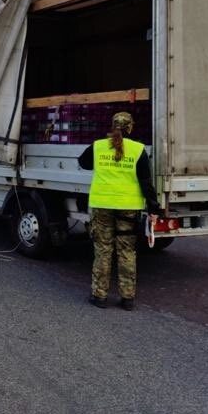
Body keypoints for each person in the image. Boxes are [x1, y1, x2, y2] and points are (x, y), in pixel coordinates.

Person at [78, 111, 159, 311]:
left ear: (113, 126)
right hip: (128, 208)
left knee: (103, 250)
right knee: (127, 251)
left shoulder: (98, 146)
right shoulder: (138, 149)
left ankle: (99, 296)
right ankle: (128, 298)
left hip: (102, 206)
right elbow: (146, 182)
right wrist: (153, 208)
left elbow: (83, 163)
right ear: (131, 127)